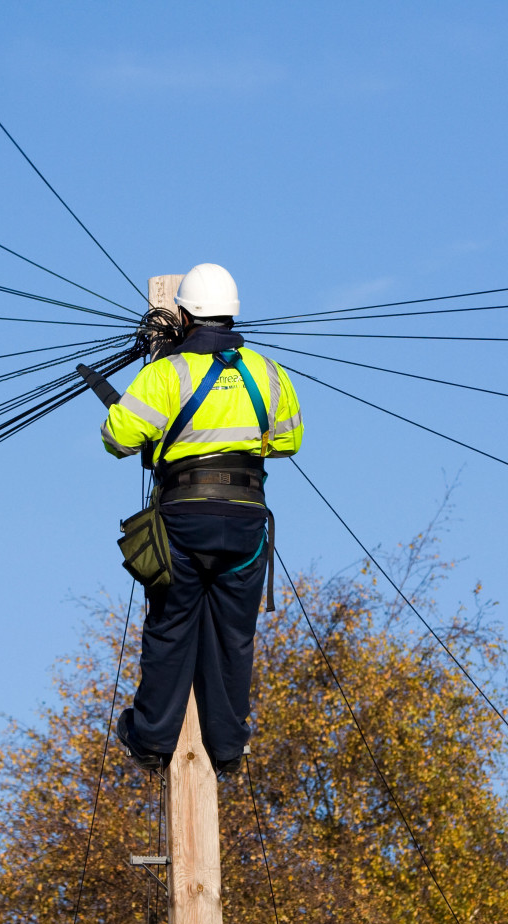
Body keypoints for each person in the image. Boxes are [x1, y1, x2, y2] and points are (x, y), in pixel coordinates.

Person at [99, 263, 303, 772]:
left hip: (184, 519)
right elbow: (289, 441)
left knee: (171, 628)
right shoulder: (268, 371)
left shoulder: (164, 374)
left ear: (184, 314)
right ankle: (228, 749)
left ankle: (151, 738)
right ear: (232, 313)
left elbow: (117, 439)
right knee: (233, 636)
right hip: (245, 520)